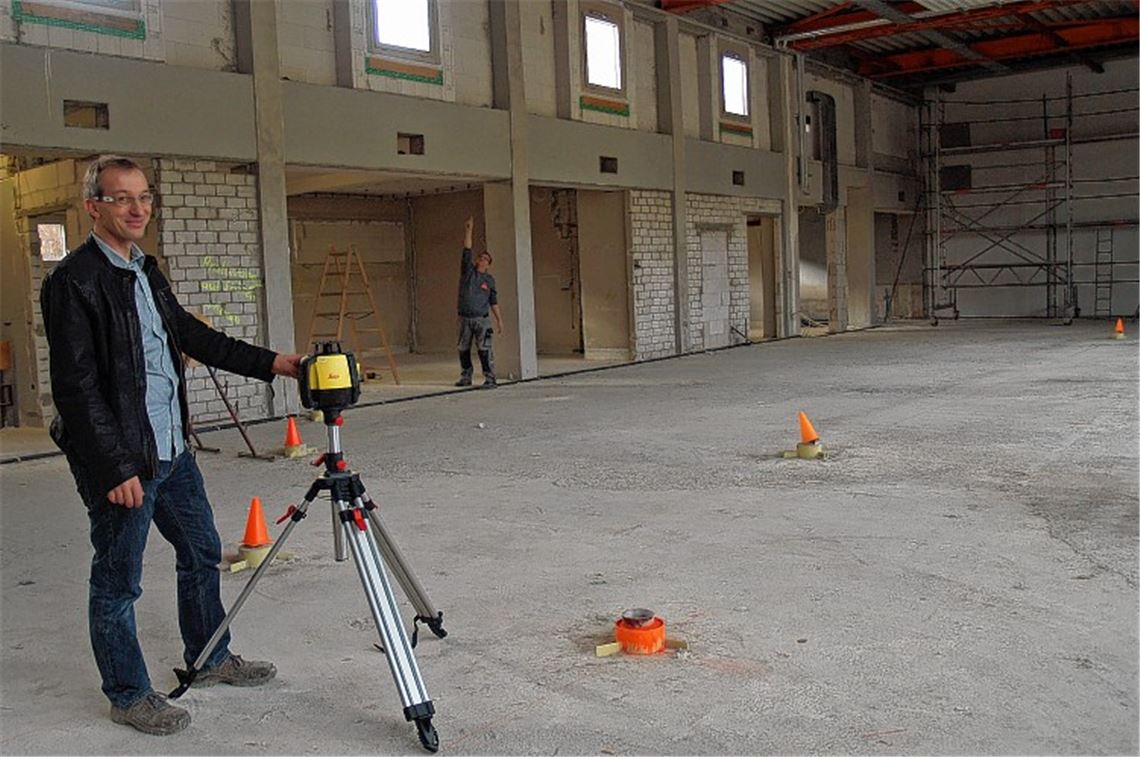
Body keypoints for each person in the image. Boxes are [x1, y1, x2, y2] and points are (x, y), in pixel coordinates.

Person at [40, 155, 303, 736]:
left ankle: (208, 658)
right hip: (126, 460)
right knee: (118, 580)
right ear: (94, 207)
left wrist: (275, 364)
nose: (137, 209)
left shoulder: (145, 270)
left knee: (202, 549)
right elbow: (76, 389)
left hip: (171, 448)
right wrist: (113, 467)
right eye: (121, 198)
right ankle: (129, 693)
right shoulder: (74, 281)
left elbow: (192, 337)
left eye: (144, 197)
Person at [455, 215, 503, 388]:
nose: (482, 260)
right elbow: (467, 249)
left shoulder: (489, 280)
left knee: (484, 349)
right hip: (464, 318)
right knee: (463, 348)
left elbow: (493, 301)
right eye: (480, 257)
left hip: (481, 319)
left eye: (485, 259)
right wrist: (469, 230)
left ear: (488, 264)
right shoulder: (468, 272)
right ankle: (466, 376)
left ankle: (490, 378)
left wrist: (499, 319)